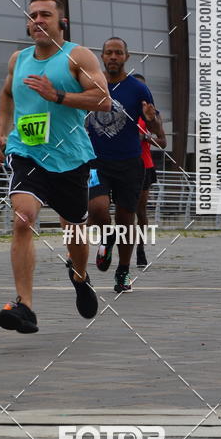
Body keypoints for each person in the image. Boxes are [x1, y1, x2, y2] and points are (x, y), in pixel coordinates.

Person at [0, 0, 111, 333]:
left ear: (62, 22)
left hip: (70, 157)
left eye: (45, 14)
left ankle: (80, 275)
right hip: (26, 152)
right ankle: (25, 306)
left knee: (74, 228)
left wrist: (57, 95)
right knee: (23, 218)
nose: (37, 21)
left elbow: (104, 101)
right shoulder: (18, 60)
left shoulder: (77, 56)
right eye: (32, 16)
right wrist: (2, 133)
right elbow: (7, 95)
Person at [86, 39, 164, 293]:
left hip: (130, 163)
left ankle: (123, 271)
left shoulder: (138, 89)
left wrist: (152, 121)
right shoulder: (90, 84)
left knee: (125, 218)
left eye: (118, 53)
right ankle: (107, 236)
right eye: (108, 52)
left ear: (126, 57)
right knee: (97, 210)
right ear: (102, 56)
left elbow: (158, 134)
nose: (113, 57)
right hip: (96, 161)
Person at [133, 73, 167, 268]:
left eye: (142, 89)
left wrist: (146, 138)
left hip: (144, 165)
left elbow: (163, 142)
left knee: (140, 209)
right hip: (118, 164)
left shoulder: (152, 114)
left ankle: (140, 248)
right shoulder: (120, 109)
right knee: (113, 209)